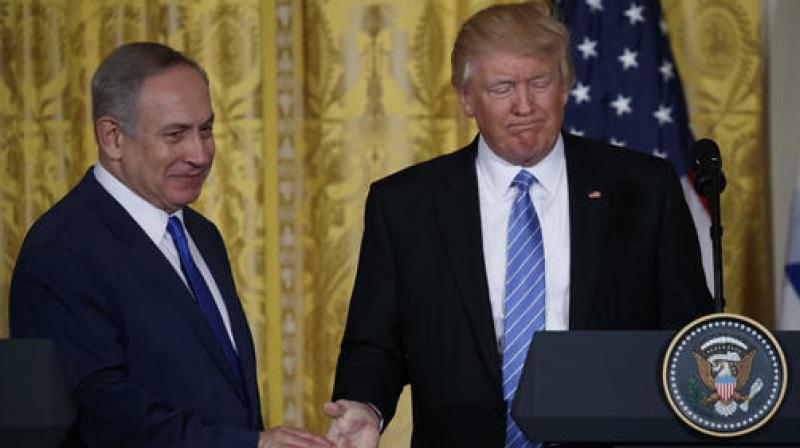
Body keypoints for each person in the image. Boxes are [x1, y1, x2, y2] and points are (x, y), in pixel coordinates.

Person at [323, 2, 713, 447]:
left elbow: (688, 331)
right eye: (502, 88)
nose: (524, 105)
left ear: (565, 86)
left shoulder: (643, 188)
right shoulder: (406, 205)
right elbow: (375, 342)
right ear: (466, 98)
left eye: (540, 82)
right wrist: (364, 405)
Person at [9, 42, 333, 448]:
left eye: (206, 129)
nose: (199, 154)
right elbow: (99, 413)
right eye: (175, 134)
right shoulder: (61, 250)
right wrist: (249, 445)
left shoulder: (202, 234)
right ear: (112, 138)